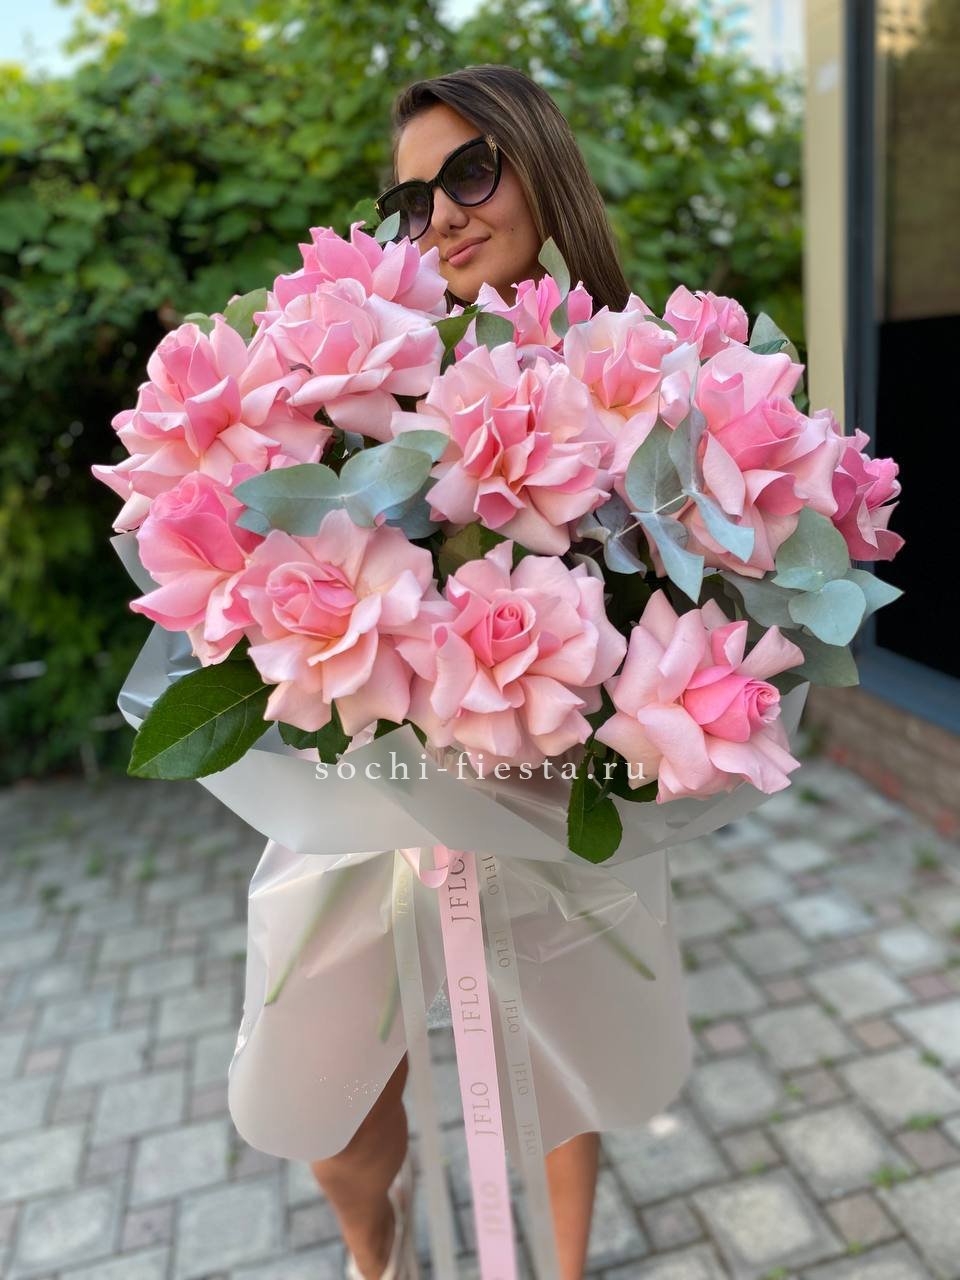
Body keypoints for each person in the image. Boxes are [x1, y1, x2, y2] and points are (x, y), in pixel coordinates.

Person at [308, 64, 637, 1280]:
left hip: (547, 779)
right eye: (412, 199)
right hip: (374, 791)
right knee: (332, 1107)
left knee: (561, 1049)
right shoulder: (363, 378)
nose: (440, 214)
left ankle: (562, 1267)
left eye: (470, 170)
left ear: (539, 166)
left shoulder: (633, 365)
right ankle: (375, 1248)